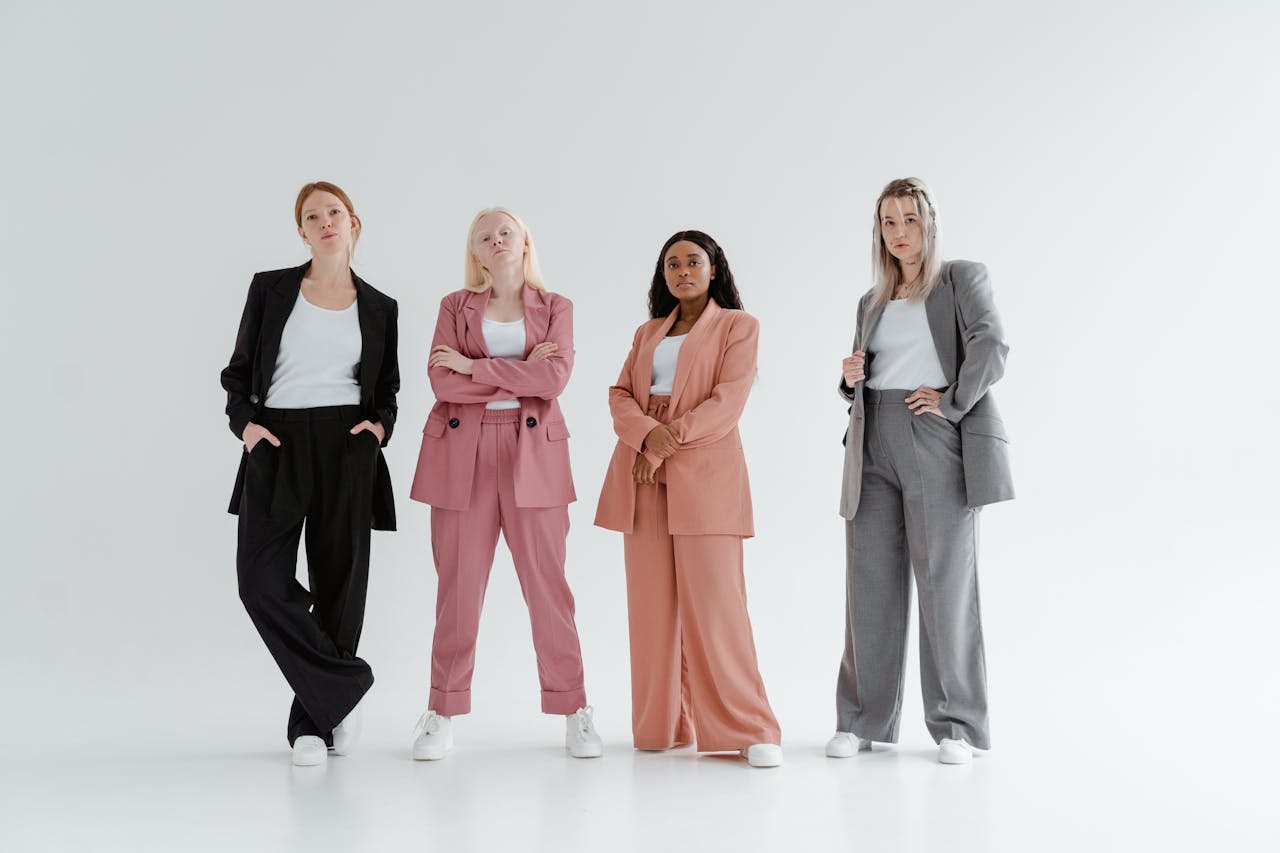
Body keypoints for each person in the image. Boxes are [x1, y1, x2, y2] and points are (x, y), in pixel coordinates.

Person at [827, 177, 1014, 765]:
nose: (899, 232)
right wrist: (850, 377)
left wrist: (951, 400)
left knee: (944, 582)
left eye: (909, 219)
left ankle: (958, 726)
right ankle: (861, 721)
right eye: (888, 222)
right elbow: (863, 378)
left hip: (933, 433)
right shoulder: (872, 301)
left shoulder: (959, 278)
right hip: (871, 438)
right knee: (868, 583)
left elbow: (992, 345)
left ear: (929, 223)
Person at [408, 207, 602, 760]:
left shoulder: (556, 307)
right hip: (460, 455)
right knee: (458, 588)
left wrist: (475, 367)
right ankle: (442, 711)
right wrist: (517, 373)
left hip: (533, 453)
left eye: (506, 232)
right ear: (475, 251)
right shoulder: (454, 306)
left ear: (524, 242)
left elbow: (554, 379)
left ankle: (574, 708)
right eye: (484, 236)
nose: (496, 240)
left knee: (548, 587)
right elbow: (441, 383)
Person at [221, 180, 399, 767]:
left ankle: (312, 724)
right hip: (276, 440)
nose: (326, 222)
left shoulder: (380, 307)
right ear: (301, 231)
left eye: (335, 212)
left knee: (340, 584)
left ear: (353, 223)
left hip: (347, 443)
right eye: (313, 216)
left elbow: (386, 389)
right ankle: (346, 683)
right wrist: (246, 425)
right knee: (259, 582)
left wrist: (379, 429)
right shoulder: (270, 289)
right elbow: (239, 371)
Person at [595, 230, 783, 768]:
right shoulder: (647, 332)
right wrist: (646, 437)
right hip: (641, 473)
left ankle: (748, 729)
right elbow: (619, 394)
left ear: (714, 268)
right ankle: (665, 725)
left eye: (693, 262)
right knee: (651, 608)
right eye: (672, 264)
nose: (682, 271)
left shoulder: (739, 326)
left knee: (717, 607)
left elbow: (727, 401)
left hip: (704, 473)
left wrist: (664, 440)